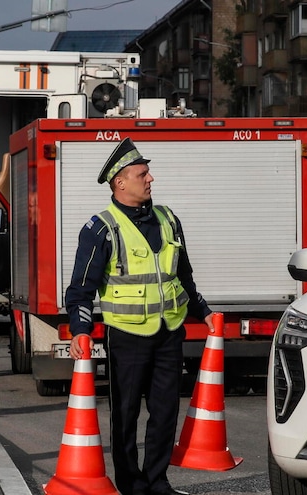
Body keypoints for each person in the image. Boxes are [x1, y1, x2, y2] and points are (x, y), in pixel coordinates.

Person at [64, 138, 214, 495]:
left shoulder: (168, 218)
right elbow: (80, 288)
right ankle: (132, 485)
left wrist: (204, 311)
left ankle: (157, 482)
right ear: (120, 182)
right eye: (143, 174)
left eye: (148, 173)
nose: (151, 179)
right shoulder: (101, 228)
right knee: (126, 415)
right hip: (126, 335)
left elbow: (183, 274)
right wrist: (79, 330)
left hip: (169, 331)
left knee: (164, 413)